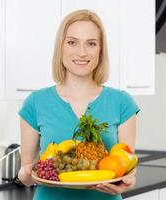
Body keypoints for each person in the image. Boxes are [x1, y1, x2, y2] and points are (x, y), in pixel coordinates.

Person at [17, 9, 140, 200]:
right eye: (72, 42)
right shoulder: (35, 103)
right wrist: (28, 173)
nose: (81, 52)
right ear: (61, 47)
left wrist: (126, 183)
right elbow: (26, 173)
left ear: (100, 49)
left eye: (91, 44)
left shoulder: (122, 102)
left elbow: (128, 166)